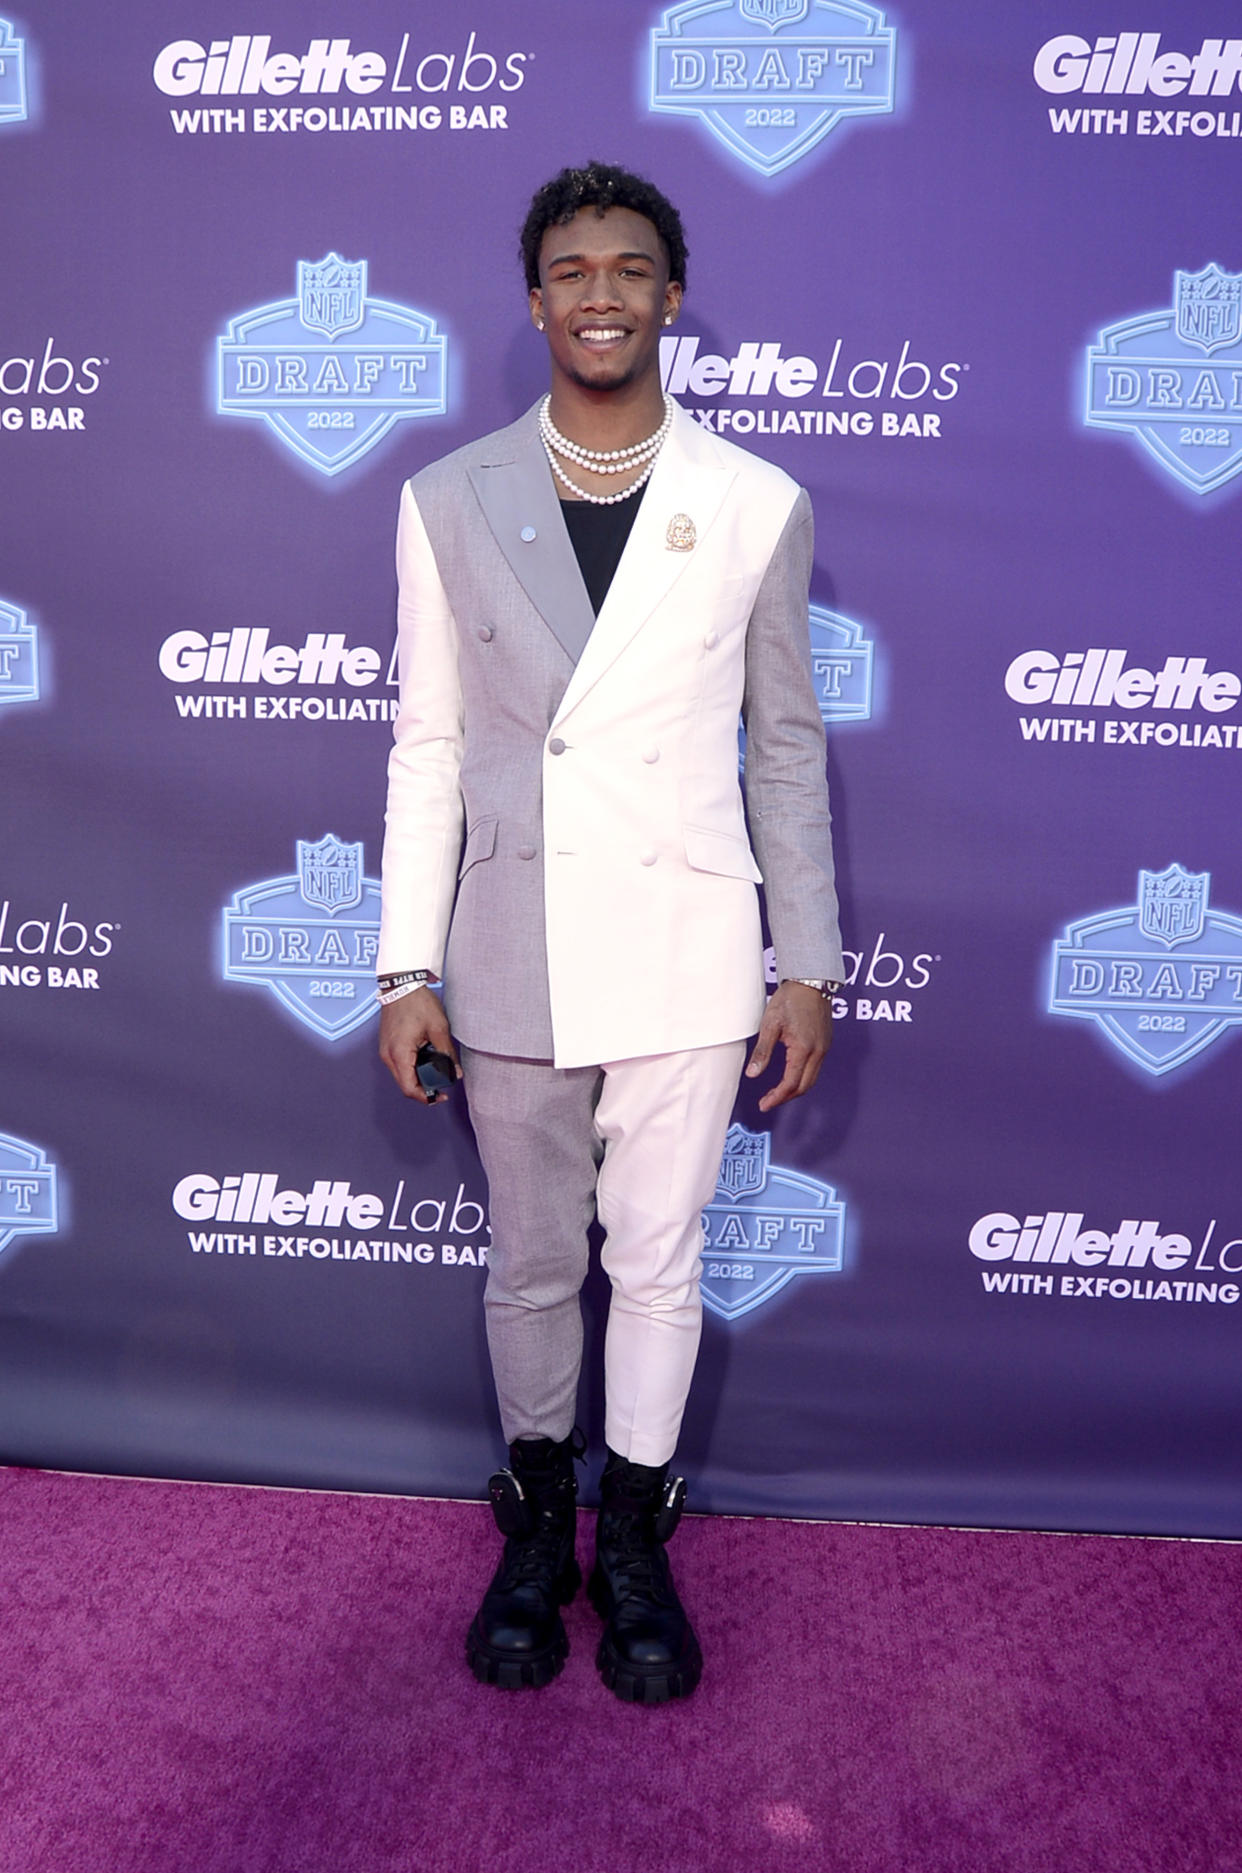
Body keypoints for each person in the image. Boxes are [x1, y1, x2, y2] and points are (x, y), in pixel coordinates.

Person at [377, 162, 844, 1705]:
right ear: (532, 300)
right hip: (506, 931)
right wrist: (403, 963)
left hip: (689, 944)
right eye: (569, 269)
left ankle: (632, 1534)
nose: (598, 292)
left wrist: (807, 959)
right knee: (527, 1264)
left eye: (628, 268)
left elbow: (783, 744)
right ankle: (535, 1528)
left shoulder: (754, 500)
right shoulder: (442, 499)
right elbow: (427, 746)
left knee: (653, 1261)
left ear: (668, 295)